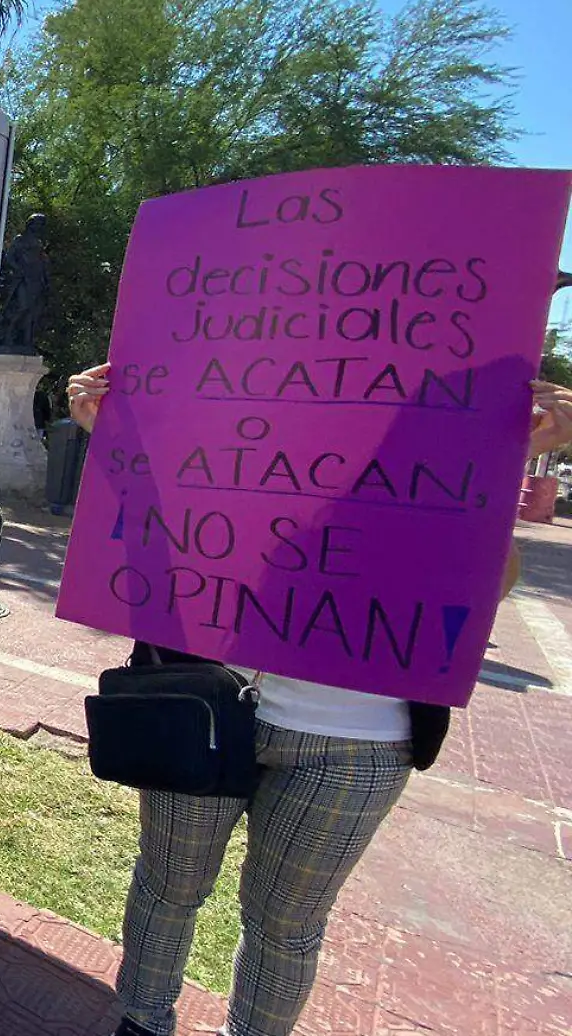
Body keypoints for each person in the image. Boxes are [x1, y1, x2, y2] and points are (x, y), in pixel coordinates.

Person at [67, 364, 572, 1036]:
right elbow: (159, 529)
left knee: (286, 924)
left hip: (357, 739)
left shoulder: (440, 456)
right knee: (168, 886)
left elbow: (483, 591)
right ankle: (142, 1022)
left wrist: (497, 464)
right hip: (206, 705)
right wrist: (114, 434)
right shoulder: (245, 412)